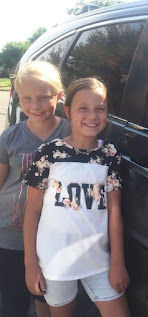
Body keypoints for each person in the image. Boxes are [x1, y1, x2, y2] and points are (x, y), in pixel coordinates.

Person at [23, 77, 130, 317]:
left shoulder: (109, 154)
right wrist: (31, 265)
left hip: (98, 259)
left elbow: (114, 212)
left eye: (100, 109)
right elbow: (32, 211)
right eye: (83, 108)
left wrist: (117, 262)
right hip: (55, 260)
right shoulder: (49, 153)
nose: (92, 116)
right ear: (68, 111)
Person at [0, 61, 71, 317]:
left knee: (45, 296)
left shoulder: (72, 133)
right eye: (27, 98)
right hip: (10, 233)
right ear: (19, 98)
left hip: (52, 235)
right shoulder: (10, 137)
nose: (35, 106)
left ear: (59, 96)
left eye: (44, 97)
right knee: (14, 302)